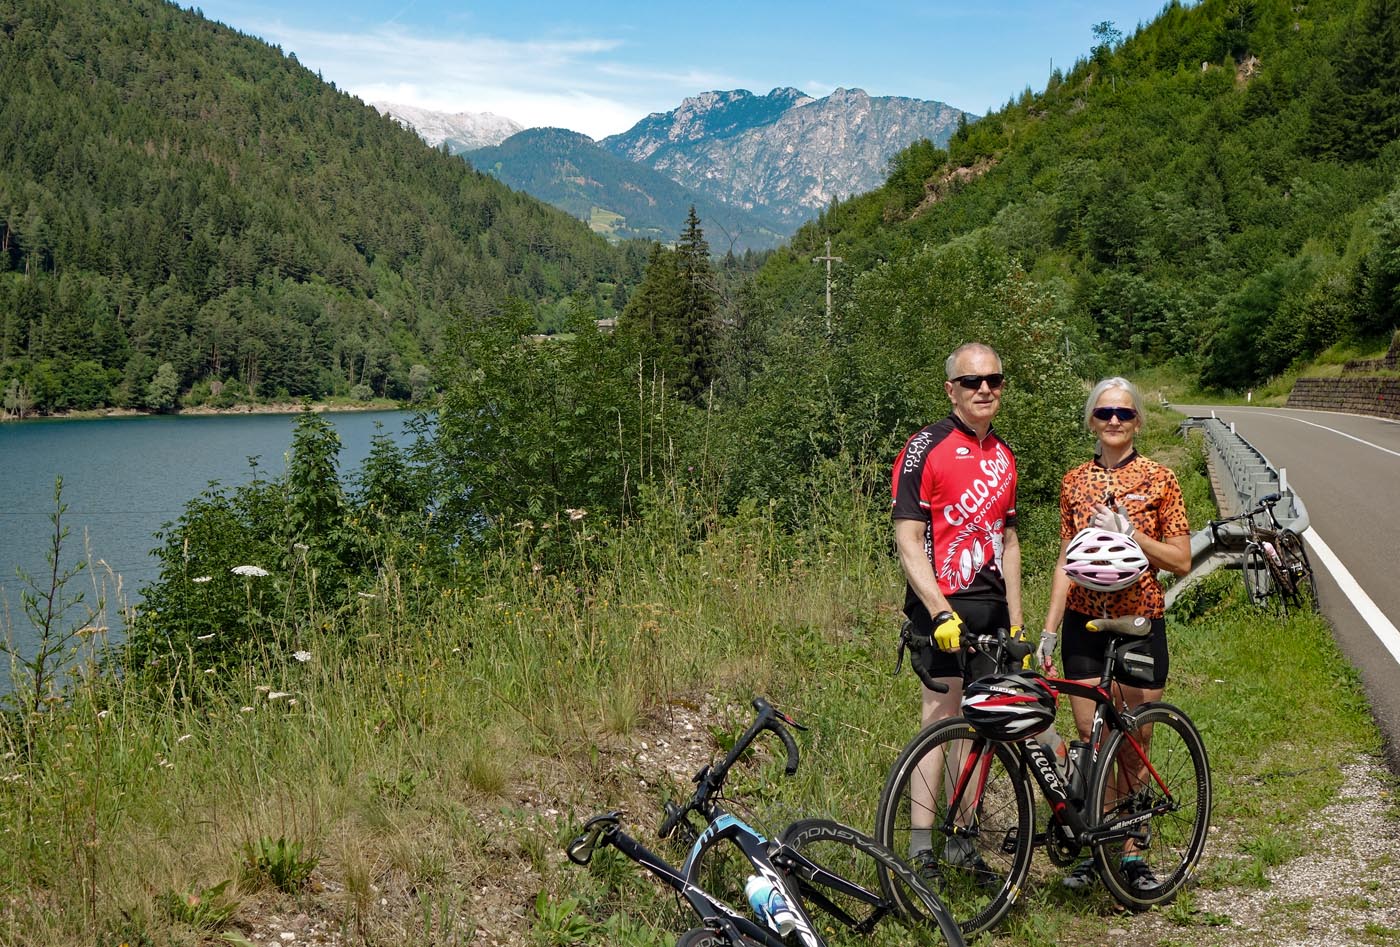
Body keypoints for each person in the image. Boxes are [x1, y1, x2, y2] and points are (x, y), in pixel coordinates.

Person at [1037, 376, 1191, 893]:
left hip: (1138, 622)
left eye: (1124, 414)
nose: (1114, 422)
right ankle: (1099, 845)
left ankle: (1133, 852)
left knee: (1135, 738)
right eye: (1104, 413)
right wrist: (1049, 630)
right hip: (1084, 622)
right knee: (1091, 740)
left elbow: (1182, 560)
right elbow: (1065, 560)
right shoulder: (1073, 481)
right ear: (1091, 421)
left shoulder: (1160, 478)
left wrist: (1134, 535)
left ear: (1138, 421)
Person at [891, 341, 1024, 875]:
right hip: (941, 607)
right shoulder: (926, 447)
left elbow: (1008, 543)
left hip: (992, 607)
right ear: (952, 389)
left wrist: (1017, 619)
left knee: (988, 722)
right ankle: (923, 845)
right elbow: (907, 539)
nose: (985, 389)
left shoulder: (1005, 455)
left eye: (994, 379)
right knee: (939, 719)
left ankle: (963, 839)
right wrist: (939, 611)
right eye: (973, 381)